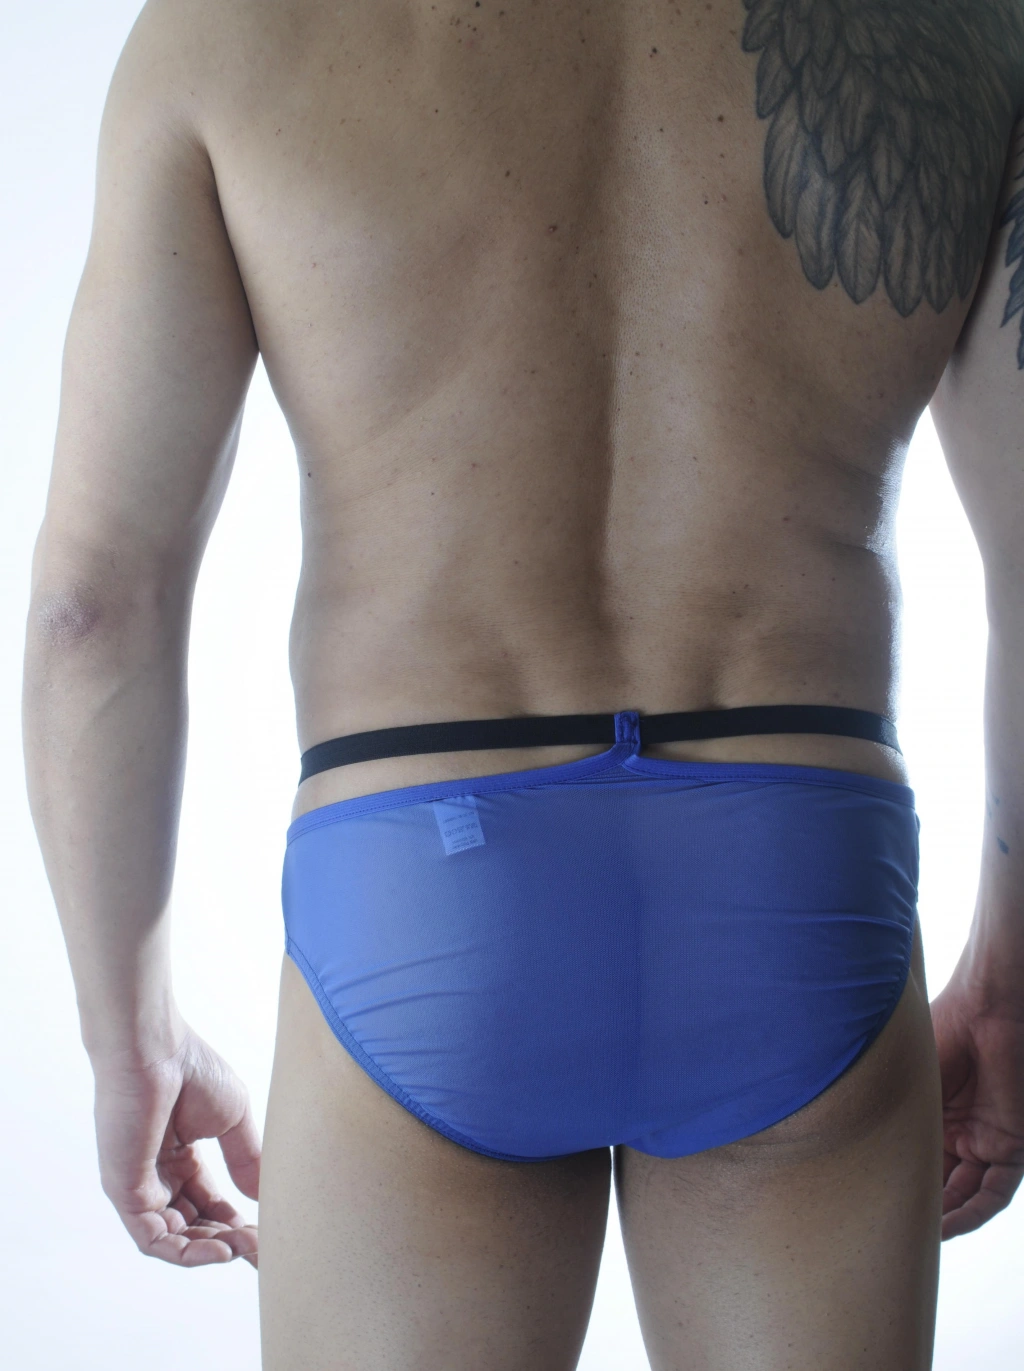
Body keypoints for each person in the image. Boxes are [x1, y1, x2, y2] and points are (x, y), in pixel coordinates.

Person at [21, 1, 1024, 1366]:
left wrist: (124, 1030)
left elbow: (93, 606)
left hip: (427, 878)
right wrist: (1012, 984)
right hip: (796, 869)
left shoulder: (233, 32)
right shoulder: (960, 31)